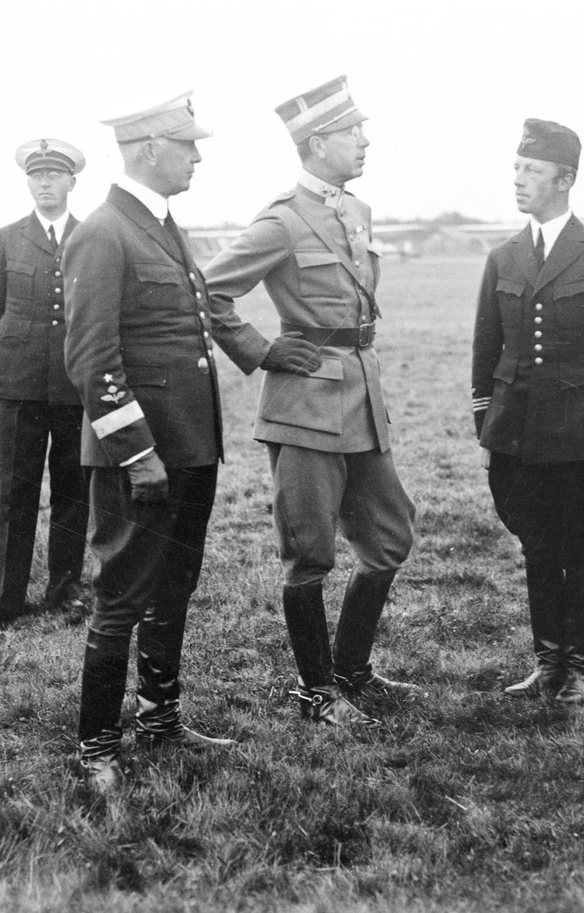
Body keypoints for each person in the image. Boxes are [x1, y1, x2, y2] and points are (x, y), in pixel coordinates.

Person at [62, 92, 319, 792]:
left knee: (173, 587)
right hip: (141, 455)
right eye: (188, 146)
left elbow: (195, 324)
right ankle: (96, 745)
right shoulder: (104, 232)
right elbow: (91, 358)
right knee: (121, 596)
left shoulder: (162, 226)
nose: (198, 157)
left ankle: (160, 719)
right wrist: (136, 452)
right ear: (150, 150)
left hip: (190, 448)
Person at [203, 76, 418, 729]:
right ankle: (316, 691)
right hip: (304, 406)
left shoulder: (356, 211)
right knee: (310, 550)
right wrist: (262, 351)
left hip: (361, 396)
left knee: (390, 535)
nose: (365, 141)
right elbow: (207, 292)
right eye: (353, 132)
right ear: (318, 142)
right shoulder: (281, 220)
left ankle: (352, 670)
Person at [470, 119, 584, 704]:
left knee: (577, 547)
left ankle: (580, 668)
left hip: (578, 434)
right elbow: (485, 349)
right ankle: (547, 663)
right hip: (515, 434)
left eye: (533, 170)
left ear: (565, 179)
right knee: (536, 547)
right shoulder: (503, 257)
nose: (518, 179)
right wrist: (487, 427)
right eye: (516, 168)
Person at [0, 139, 90, 637]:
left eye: (54, 175)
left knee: (73, 488)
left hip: (75, 383)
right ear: (28, 183)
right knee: (15, 491)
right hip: (19, 385)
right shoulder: (4, 239)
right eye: (37, 176)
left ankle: (65, 587)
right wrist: (24, 352)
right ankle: (3, 600)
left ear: (71, 182)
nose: (45, 183)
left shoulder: (91, 237)